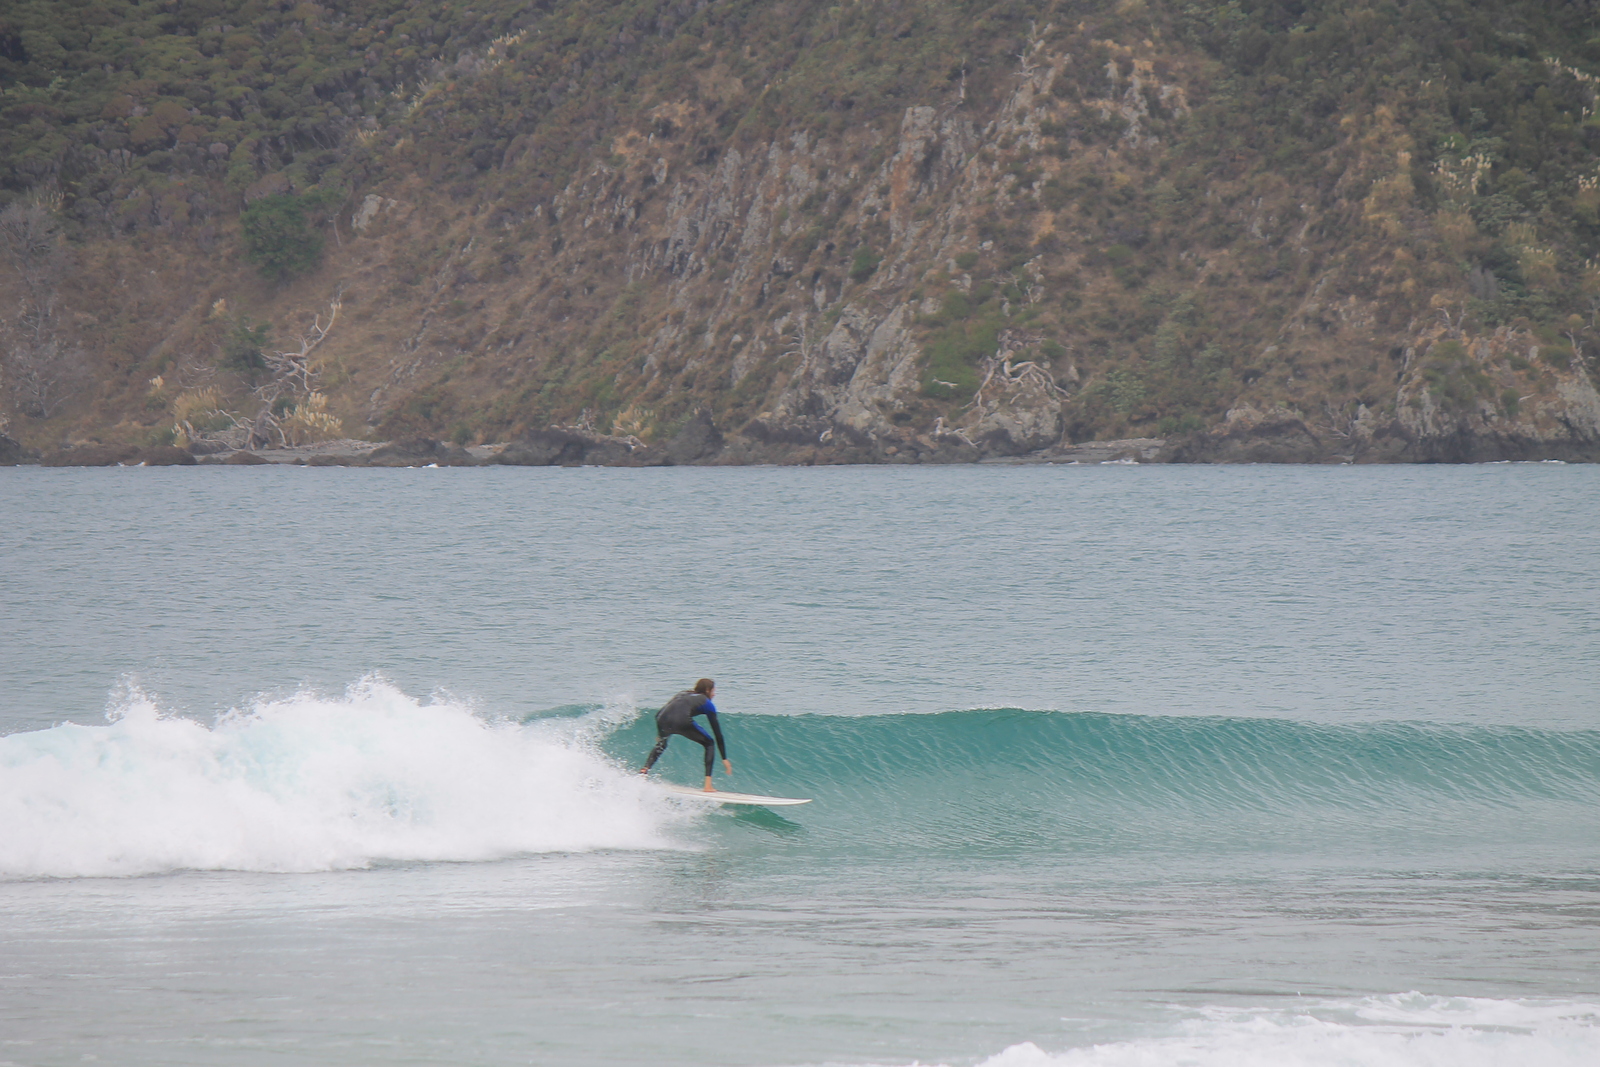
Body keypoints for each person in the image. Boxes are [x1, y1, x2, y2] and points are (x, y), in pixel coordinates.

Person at [639, 678, 733, 791]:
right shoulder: (707, 703)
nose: (714, 694)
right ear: (707, 690)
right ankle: (708, 785)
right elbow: (717, 732)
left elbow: (659, 713)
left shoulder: (682, 693)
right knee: (709, 743)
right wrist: (724, 758)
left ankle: (645, 770)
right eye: (713, 691)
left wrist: (660, 734)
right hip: (682, 721)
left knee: (662, 744)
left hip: (662, 719)